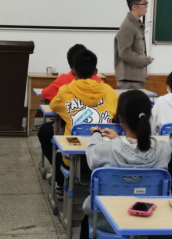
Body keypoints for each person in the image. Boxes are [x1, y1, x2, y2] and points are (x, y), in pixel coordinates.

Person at [71, 90, 171, 239]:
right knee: (135, 196)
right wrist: (120, 139)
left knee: (90, 211)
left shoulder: (106, 150)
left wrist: (96, 134)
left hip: (106, 219)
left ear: (120, 118)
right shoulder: (164, 150)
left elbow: (92, 156)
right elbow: (136, 150)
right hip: (149, 218)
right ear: (149, 116)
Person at [43, 49, 118, 198]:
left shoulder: (65, 91)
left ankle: (61, 186)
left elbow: (53, 106)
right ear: (95, 71)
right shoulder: (109, 91)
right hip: (105, 157)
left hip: (74, 160)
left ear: (72, 71)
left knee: (55, 143)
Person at [114, 0, 154, 90]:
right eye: (144, 3)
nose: (146, 6)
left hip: (135, 80)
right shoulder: (128, 26)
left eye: (147, 3)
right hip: (129, 82)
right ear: (134, 6)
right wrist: (145, 60)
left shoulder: (136, 25)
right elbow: (124, 53)